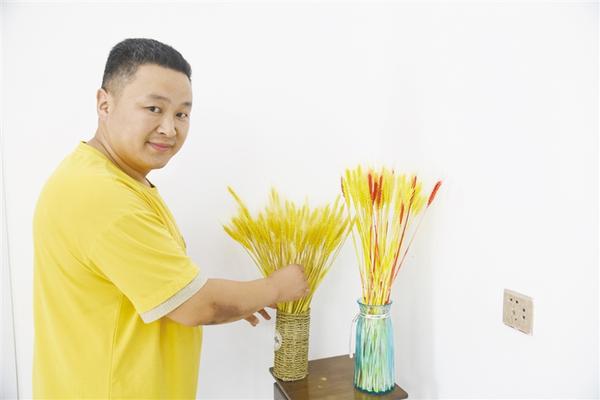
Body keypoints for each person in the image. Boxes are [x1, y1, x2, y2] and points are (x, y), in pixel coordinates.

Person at [32, 38, 308, 399]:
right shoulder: (99, 194)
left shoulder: (117, 180)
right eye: (153, 108)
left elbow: (169, 289)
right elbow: (194, 305)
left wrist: (244, 299)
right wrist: (276, 288)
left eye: (181, 114)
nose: (170, 128)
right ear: (104, 104)